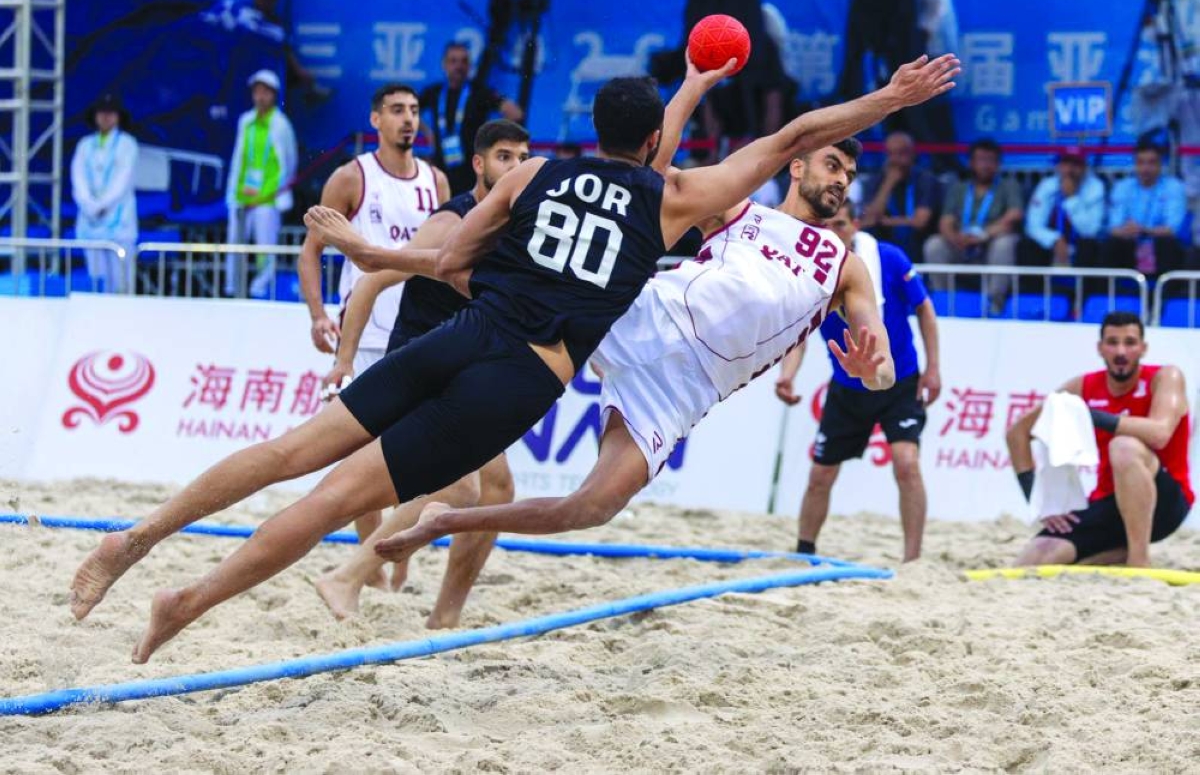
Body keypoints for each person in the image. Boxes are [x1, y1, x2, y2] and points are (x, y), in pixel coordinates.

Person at [68, 54, 958, 664]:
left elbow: (452, 262)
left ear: (596, 129)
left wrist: (375, 257)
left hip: (476, 333)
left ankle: (135, 540)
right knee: (335, 497)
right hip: (541, 366)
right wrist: (890, 98)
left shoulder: (534, 173)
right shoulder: (675, 202)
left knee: (302, 450)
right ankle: (185, 603)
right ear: (655, 145)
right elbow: (794, 132)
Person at [367, 139, 900, 573]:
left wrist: (869, 370)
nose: (841, 180)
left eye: (850, 176)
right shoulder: (743, 210)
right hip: (646, 315)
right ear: (798, 166)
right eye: (833, 165)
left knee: (591, 508)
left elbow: (885, 372)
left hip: (687, 388)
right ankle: (378, 257)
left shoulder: (845, 265)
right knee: (508, 281)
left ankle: (441, 523)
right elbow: (652, 177)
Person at [314, 119, 530, 627]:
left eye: (523, 158)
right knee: (458, 490)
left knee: (497, 490)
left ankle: (444, 615)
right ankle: (349, 574)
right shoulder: (451, 224)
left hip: (466, 366)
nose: (516, 168)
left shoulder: (514, 221)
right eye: (504, 157)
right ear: (478, 165)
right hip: (422, 361)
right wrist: (344, 360)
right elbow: (371, 282)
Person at [297, 82, 449, 545]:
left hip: (420, 330)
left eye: (414, 110)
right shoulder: (351, 177)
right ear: (375, 120)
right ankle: (375, 564)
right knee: (363, 460)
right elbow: (310, 253)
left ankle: (391, 560)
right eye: (397, 110)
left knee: (423, 460)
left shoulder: (436, 181)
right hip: (362, 333)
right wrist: (318, 314)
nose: (408, 119)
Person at [776, 199, 940, 562]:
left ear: (856, 225)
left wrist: (933, 368)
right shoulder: (810, 271)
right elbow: (799, 337)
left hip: (899, 381)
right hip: (848, 388)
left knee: (907, 463)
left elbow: (925, 309)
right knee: (820, 475)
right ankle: (804, 551)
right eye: (827, 226)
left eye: (840, 225)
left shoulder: (888, 258)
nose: (833, 233)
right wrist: (787, 376)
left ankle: (912, 560)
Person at [1007, 312, 1191, 567]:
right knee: (1038, 555)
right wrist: (1041, 503)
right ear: (1100, 348)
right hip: (1110, 501)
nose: (1121, 351)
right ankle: (1115, 554)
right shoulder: (1081, 388)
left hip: (1166, 501)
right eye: (1113, 342)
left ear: (1143, 348)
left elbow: (1160, 434)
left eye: (1129, 342)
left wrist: (1089, 415)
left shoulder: (1165, 377)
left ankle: (1138, 561)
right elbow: (1017, 433)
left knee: (1123, 446)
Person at [923, 138, 1025, 313]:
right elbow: (945, 221)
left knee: (1005, 243)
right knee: (935, 245)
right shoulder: (959, 188)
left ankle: (994, 303)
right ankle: (945, 301)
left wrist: (983, 235)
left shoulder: (1008, 185)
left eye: (990, 160)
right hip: (961, 245)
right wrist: (956, 238)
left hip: (990, 243)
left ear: (998, 164)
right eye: (980, 160)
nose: (985, 165)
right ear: (971, 163)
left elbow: (1014, 215)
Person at [224, 69, 298, 298]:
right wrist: (233, 191)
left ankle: (260, 288)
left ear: (274, 94)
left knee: (265, 248)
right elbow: (239, 158)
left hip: (267, 198)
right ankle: (231, 289)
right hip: (242, 196)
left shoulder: (281, 124)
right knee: (234, 246)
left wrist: (274, 192)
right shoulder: (245, 121)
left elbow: (290, 160)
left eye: (265, 91)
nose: (260, 96)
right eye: (257, 91)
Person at [419, 42, 524, 194]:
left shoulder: (480, 92)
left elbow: (515, 113)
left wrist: (494, 140)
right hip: (441, 172)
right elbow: (409, 110)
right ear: (444, 64)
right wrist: (428, 132)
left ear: (469, 66)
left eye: (464, 61)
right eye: (453, 61)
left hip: (473, 174)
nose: (459, 66)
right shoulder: (434, 93)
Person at [70, 93, 139, 293]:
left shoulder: (127, 144)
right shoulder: (84, 145)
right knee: (96, 280)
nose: (106, 117)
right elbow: (78, 178)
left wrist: (103, 205)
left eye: (111, 113)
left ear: (118, 116)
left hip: (119, 221)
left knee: (121, 282)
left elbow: (122, 181)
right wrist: (89, 205)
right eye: (102, 113)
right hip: (90, 223)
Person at [1105, 140, 1189, 278]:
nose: (1146, 168)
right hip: (1130, 246)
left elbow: (1173, 229)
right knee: (1113, 243)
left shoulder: (1174, 187)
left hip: (1162, 249)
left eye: (1151, 162)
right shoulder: (1123, 187)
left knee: (1167, 243)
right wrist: (1125, 230)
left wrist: (1144, 230)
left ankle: (1166, 297)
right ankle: (1110, 296)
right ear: (1135, 164)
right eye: (1141, 162)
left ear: (1160, 164)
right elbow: (1113, 227)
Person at [858, 130, 940, 260]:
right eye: (891, 154)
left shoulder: (925, 179)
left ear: (912, 153)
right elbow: (869, 219)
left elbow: (920, 222)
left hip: (918, 237)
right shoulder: (877, 180)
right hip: (886, 236)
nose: (895, 160)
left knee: (905, 232)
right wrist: (888, 184)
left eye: (901, 153)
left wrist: (886, 221)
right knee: (866, 235)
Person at [1022, 147, 1106, 267]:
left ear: (1085, 167)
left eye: (1076, 164)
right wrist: (1054, 239)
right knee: (1027, 244)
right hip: (1051, 244)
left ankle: (1085, 286)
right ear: (1058, 166)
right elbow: (1033, 225)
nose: (1070, 169)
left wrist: (1071, 198)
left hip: (1081, 245)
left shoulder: (1095, 187)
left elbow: (1090, 231)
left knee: (1089, 245)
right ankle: (1032, 286)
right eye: (1066, 163)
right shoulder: (1047, 185)